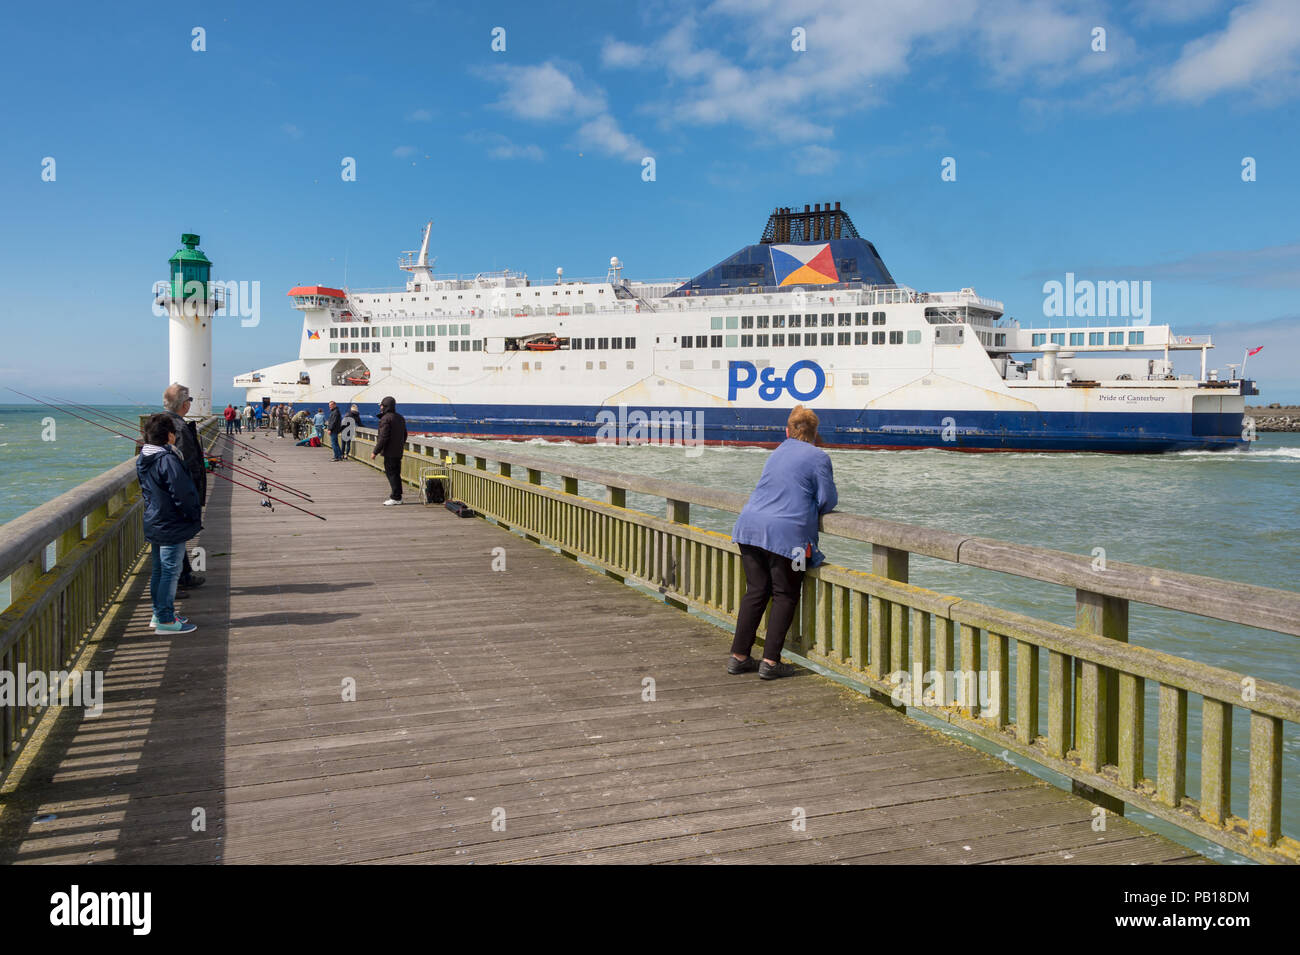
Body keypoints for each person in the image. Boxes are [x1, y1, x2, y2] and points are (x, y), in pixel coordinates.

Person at [727, 405, 837, 680]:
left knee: (756, 591)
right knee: (786, 594)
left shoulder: (778, 451)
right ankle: (771, 662)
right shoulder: (819, 457)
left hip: (749, 529)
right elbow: (827, 500)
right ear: (814, 433)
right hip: (792, 540)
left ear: (787, 430)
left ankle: (739, 657)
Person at [137, 413, 200, 634]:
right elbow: (181, 493)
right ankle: (164, 619)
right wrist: (192, 515)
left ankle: (159, 613)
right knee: (170, 571)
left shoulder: (144, 457)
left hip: (155, 520)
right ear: (169, 435)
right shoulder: (167, 459)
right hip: (171, 523)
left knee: (159, 570)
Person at [162, 383, 207, 596]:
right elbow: (183, 464)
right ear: (184, 405)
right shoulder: (178, 427)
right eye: (189, 400)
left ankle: (184, 575)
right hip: (179, 493)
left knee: (177, 537)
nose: (190, 404)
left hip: (167, 493)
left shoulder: (162, 423)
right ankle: (174, 584)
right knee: (175, 538)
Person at [371, 396, 407, 505]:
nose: (380, 407)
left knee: (391, 474)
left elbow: (383, 437)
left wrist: (375, 452)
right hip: (398, 451)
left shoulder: (385, 419)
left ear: (385, 406)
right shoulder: (400, 418)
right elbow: (405, 435)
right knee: (396, 474)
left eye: (381, 405)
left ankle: (395, 497)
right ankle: (398, 497)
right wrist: (399, 444)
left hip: (390, 452)